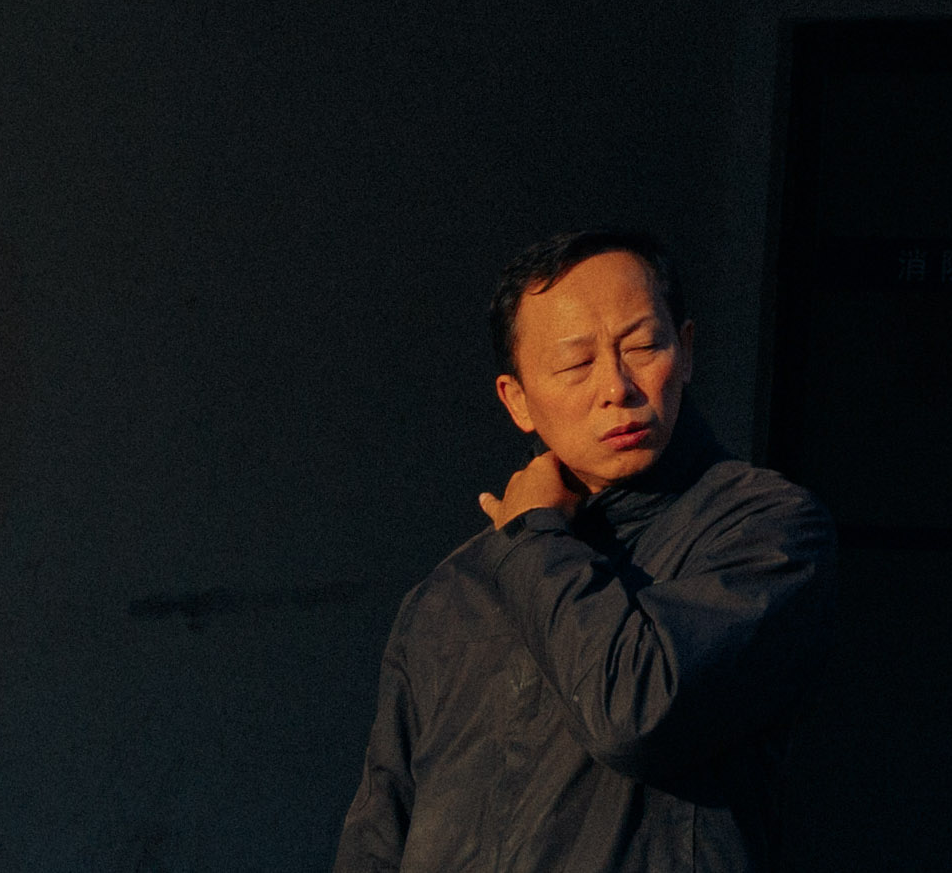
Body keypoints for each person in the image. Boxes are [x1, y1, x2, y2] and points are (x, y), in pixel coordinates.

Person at [334, 228, 837, 873]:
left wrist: (534, 539)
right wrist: (529, 539)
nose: (617, 387)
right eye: (576, 364)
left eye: (643, 347)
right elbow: (379, 831)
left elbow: (639, 714)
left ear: (686, 351)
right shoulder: (454, 591)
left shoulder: (765, 528)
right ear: (517, 400)